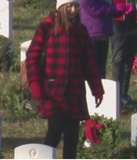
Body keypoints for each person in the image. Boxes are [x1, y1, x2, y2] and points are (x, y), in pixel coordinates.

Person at [25, 0, 104, 158]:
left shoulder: (81, 30)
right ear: (61, 7)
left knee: (72, 137)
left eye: (76, 6)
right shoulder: (46, 27)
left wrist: (97, 89)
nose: (73, 10)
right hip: (52, 90)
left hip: (74, 91)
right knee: (55, 130)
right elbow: (32, 57)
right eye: (69, 6)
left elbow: (89, 62)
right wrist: (35, 85)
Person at [79, 0, 133, 79]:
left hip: (103, 35)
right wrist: (115, 9)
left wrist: (121, 10)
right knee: (90, 69)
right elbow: (94, 10)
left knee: (100, 70)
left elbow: (109, 10)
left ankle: (100, 90)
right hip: (91, 34)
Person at [110, 0, 137, 104]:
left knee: (130, 54)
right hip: (118, 15)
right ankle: (115, 95)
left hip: (134, 16)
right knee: (119, 56)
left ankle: (123, 93)